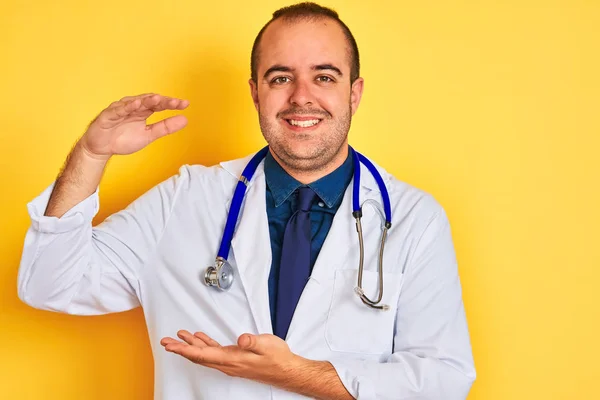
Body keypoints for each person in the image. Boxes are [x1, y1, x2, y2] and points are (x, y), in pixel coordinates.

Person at [17, 2, 476, 399]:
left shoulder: (415, 219)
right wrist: (91, 155)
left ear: (353, 94)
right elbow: (49, 284)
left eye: (324, 76)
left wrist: (296, 375)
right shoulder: (185, 199)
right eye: (280, 78)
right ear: (255, 91)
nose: (302, 97)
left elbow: (443, 380)